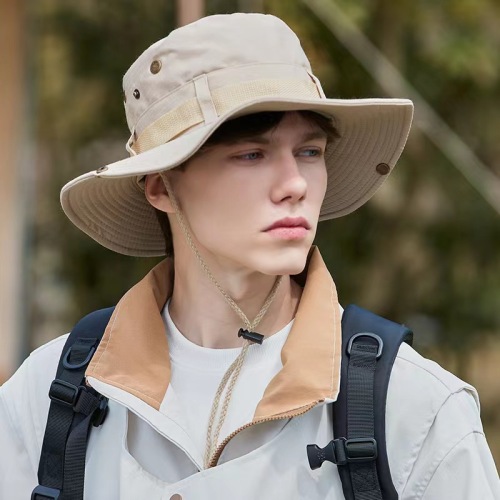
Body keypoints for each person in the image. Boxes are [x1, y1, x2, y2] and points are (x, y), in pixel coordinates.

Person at [1, 12, 499, 500]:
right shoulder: (50, 395)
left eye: (309, 151)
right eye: (251, 155)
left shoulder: (414, 410)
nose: (295, 184)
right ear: (161, 187)